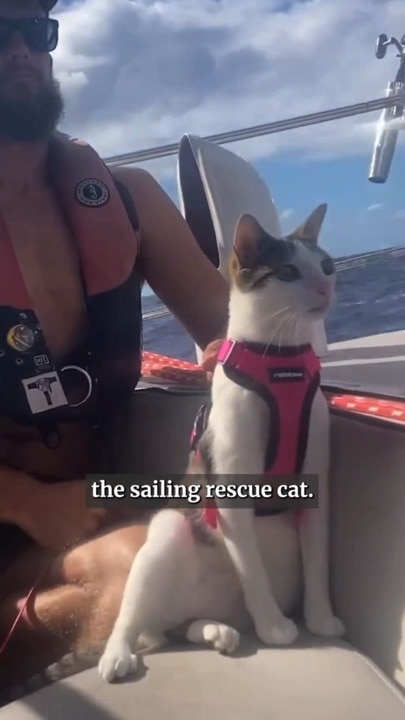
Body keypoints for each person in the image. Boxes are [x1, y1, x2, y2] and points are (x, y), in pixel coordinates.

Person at [0, 0, 228, 690]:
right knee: (137, 568)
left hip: (90, 497)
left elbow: (239, 345)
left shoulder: (126, 200)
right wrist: (29, 504)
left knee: (201, 552)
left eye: (33, 31)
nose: (18, 52)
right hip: (24, 514)